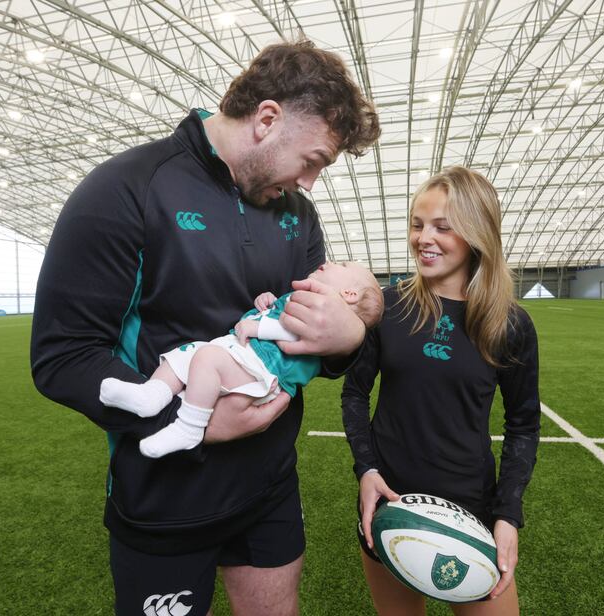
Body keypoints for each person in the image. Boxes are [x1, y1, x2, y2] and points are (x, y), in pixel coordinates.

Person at [30, 39, 380, 616]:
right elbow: (61, 356)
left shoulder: (298, 214)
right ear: (267, 120)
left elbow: (308, 344)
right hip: (165, 494)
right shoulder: (125, 189)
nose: (312, 182)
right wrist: (191, 421)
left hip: (270, 485)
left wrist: (348, 342)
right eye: (314, 160)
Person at [342, 166, 541, 616]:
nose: (423, 238)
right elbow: (355, 394)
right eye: (417, 224)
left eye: (442, 227)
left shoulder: (508, 324)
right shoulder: (388, 306)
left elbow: (524, 424)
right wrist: (367, 471)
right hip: (388, 509)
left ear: (476, 233)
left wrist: (507, 514)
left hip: (470, 512)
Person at [100, 262, 383, 458]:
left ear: (349, 294)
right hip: (242, 356)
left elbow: (296, 333)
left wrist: (258, 327)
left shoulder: (322, 313)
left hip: (264, 373)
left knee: (207, 357)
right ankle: (152, 394)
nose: (332, 262)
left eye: (343, 266)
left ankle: (189, 427)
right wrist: (267, 302)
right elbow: (278, 313)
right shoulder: (300, 297)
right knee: (188, 353)